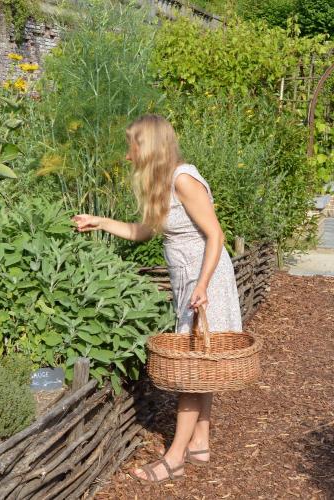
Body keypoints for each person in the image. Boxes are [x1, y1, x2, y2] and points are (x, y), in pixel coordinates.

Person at [72, 114, 243, 484]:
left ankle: (175, 458)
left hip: (205, 280)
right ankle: (200, 443)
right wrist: (99, 221)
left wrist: (202, 285)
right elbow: (143, 232)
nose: (128, 153)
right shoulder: (164, 183)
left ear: (148, 146)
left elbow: (216, 236)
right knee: (202, 364)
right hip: (190, 280)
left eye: (132, 144)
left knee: (191, 371)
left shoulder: (183, 180)